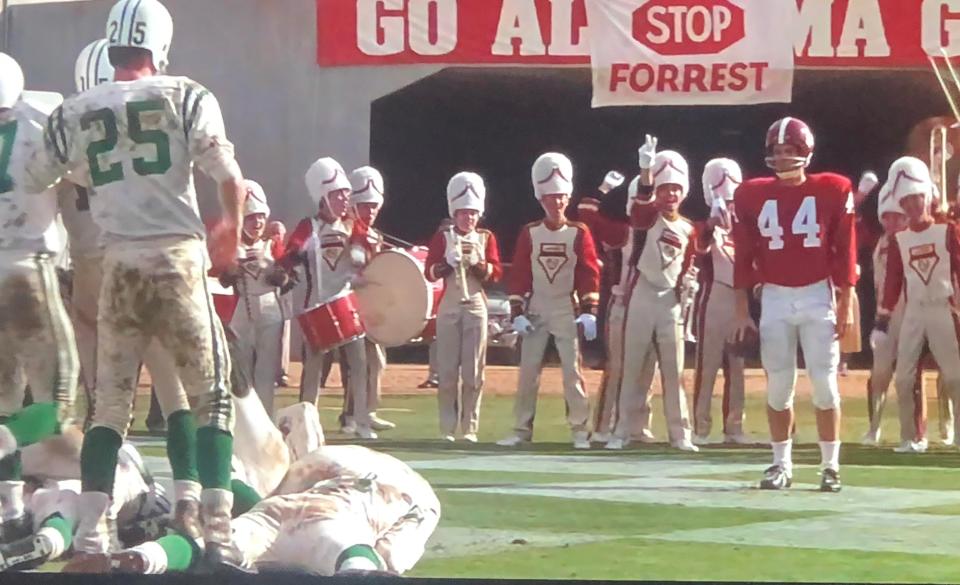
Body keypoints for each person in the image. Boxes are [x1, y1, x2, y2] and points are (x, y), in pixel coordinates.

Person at [27, 0, 246, 565]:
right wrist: (230, 233)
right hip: (175, 257)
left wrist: (94, 176)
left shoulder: (73, 111)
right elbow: (230, 178)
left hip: (116, 262)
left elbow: (34, 176)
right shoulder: (185, 94)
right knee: (208, 398)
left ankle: (90, 537)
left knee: (110, 407)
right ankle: (214, 529)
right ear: (161, 44)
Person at [731, 117, 857, 493]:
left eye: (790, 151)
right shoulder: (751, 194)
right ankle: (779, 464)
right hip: (774, 295)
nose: (783, 157)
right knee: (778, 386)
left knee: (825, 385)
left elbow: (845, 248)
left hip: (818, 294)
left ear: (805, 152)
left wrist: (846, 301)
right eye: (778, 151)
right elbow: (743, 255)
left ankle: (830, 466)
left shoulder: (833, 188)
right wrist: (741, 308)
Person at [0, 53, 80, 544]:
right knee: (63, 398)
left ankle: (8, 506)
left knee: (4, 398)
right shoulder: (39, 122)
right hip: (32, 270)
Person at [497, 153, 600, 449]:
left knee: (573, 373)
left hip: (566, 308)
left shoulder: (579, 232)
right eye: (550, 198)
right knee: (528, 373)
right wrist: (517, 310)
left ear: (567, 198)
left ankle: (581, 429)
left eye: (560, 197)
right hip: (537, 309)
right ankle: (521, 429)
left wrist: (589, 309)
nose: (556, 203)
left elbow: (589, 271)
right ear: (541, 199)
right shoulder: (530, 233)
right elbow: (520, 273)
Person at [606, 139, 702, 452]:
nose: (670, 194)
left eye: (675, 189)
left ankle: (680, 434)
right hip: (642, 295)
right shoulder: (647, 218)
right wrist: (646, 171)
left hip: (670, 302)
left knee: (674, 371)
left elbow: (687, 264)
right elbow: (640, 209)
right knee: (632, 367)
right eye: (665, 188)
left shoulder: (688, 228)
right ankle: (621, 431)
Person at [281, 157, 376, 440]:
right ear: (323, 197)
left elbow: (364, 249)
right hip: (316, 306)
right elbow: (291, 253)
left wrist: (363, 251)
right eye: (338, 195)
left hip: (347, 305)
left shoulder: (353, 226)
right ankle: (306, 425)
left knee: (359, 366)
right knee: (312, 373)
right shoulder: (308, 227)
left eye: (346, 195)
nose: (344, 200)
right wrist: (295, 257)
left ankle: (361, 422)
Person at [873, 156, 960, 453]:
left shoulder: (949, 231)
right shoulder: (899, 239)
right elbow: (893, 281)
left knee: (954, 374)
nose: (911, 205)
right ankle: (911, 436)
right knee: (905, 375)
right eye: (906, 200)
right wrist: (882, 321)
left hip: (942, 308)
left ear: (928, 196)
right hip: (913, 311)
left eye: (916, 198)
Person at [575, 175, 656, 445]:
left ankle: (638, 426)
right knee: (618, 368)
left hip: (653, 305)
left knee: (647, 369)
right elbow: (585, 216)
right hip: (622, 305)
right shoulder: (620, 231)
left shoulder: (665, 229)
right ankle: (603, 426)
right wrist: (602, 188)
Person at [425, 172, 502, 442]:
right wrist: (446, 262)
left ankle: (470, 428)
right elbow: (430, 273)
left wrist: (477, 264)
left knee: (473, 371)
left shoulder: (486, 238)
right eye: (462, 213)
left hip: (476, 304)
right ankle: (447, 428)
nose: (467, 218)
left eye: (472, 214)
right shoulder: (443, 238)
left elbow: (495, 275)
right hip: (450, 304)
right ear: (454, 214)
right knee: (446, 370)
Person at [691, 158, 751, 445]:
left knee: (737, 366)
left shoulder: (744, 229)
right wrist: (710, 225)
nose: (729, 204)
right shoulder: (705, 227)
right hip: (713, 296)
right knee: (708, 365)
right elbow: (698, 252)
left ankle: (734, 427)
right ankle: (701, 428)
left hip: (738, 299)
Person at [218, 181, 289, 416]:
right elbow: (223, 280)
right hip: (242, 314)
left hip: (270, 312)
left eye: (260, 217)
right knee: (241, 372)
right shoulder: (232, 246)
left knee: (266, 373)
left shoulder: (272, 245)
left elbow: (288, 280)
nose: (257, 222)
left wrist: (277, 272)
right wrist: (230, 270)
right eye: (250, 217)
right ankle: (243, 420)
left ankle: (266, 420)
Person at [344, 166, 395, 432]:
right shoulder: (347, 232)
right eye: (365, 206)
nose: (371, 211)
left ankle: (369, 410)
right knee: (356, 365)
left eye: (374, 206)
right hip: (350, 305)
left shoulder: (377, 236)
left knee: (376, 361)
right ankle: (351, 415)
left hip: (372, 307)